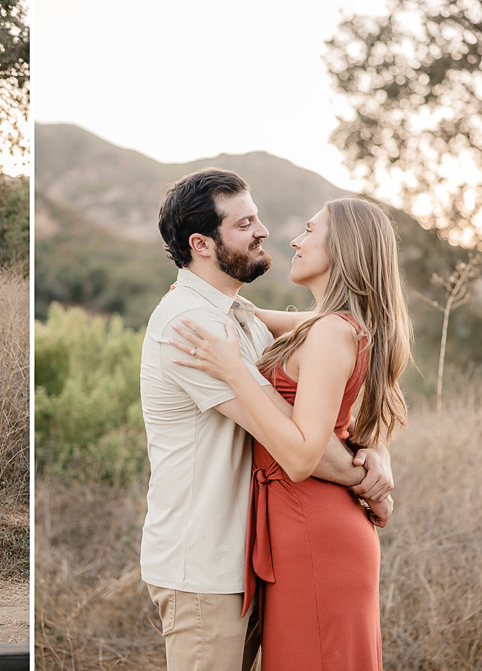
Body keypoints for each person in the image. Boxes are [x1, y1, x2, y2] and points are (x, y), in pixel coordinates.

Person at [139, 169, 395, 671]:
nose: (265, 232)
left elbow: (344, 345)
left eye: (256, 218)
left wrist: (377, 450)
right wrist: (366, 480)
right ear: (201, 244)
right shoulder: (191, 327)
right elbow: (299, 445)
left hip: (260, 558)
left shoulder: (239, 318)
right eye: (244, 224)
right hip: (207, 567)